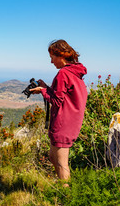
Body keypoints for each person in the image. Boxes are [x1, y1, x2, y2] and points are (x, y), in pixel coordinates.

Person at [30, 39, 88, 183]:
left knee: (62, 163)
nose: (51, 62)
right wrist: (46, 88)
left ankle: (66, 194)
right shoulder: (74, 72)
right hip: (70, 121)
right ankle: (62, 186)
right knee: (52, 156)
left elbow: (56, 101)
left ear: (60, 56)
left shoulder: (63, 73)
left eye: (52, 58)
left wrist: (43, 91)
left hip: (64, 123)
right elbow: (62, 96)